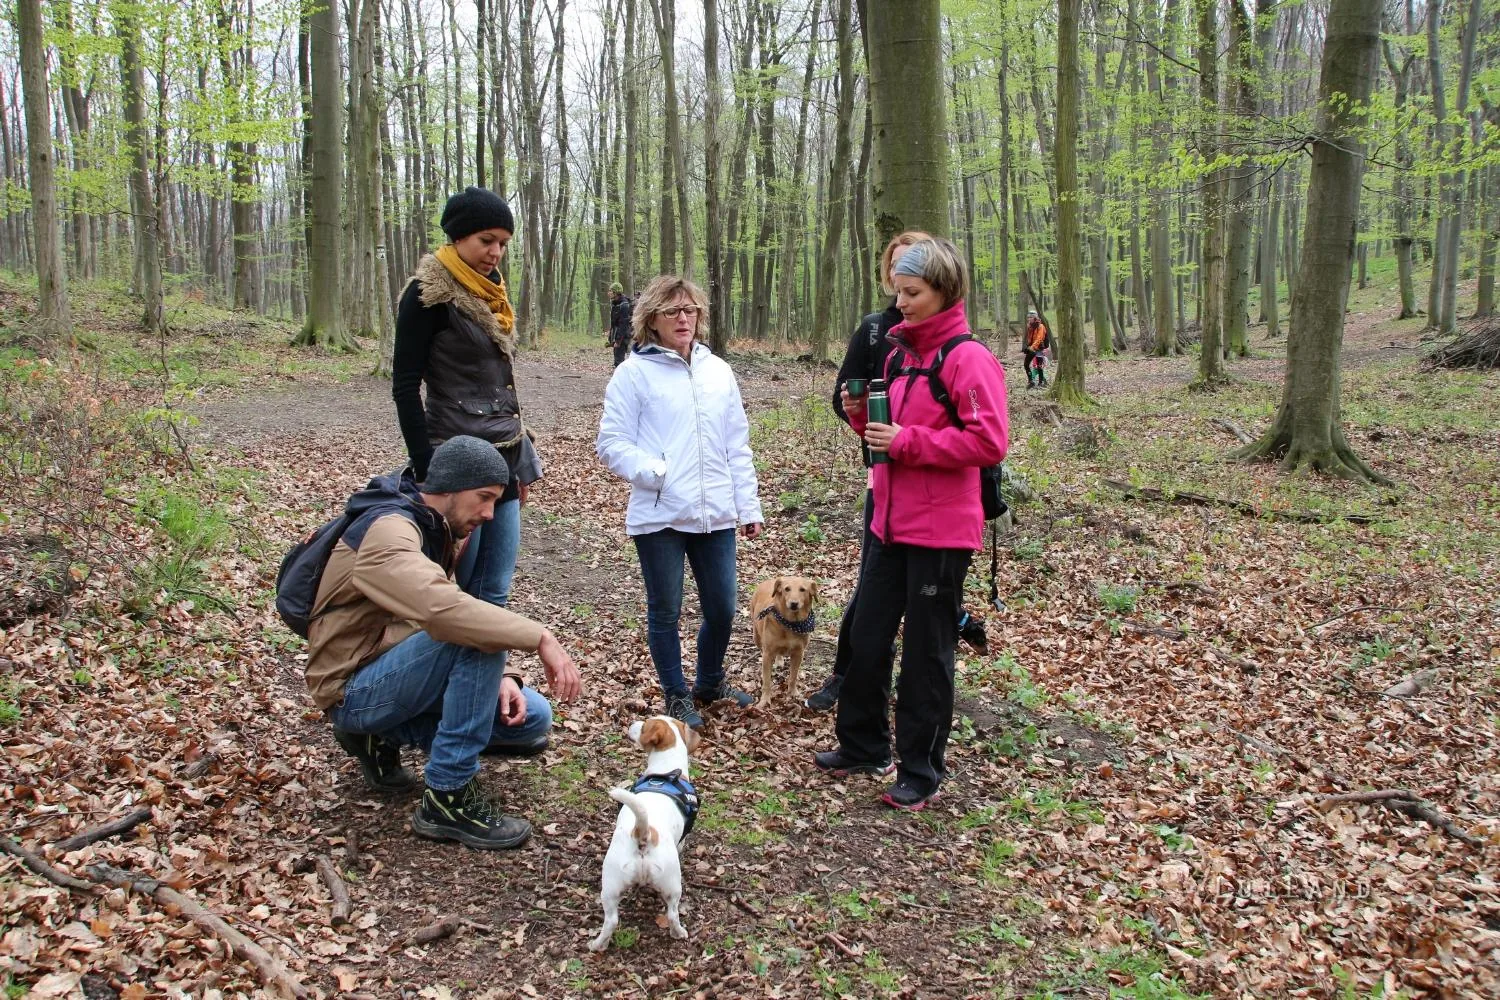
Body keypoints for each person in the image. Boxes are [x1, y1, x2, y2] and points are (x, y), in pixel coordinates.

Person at [308, 435, 584, 850]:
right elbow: (442, 611)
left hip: (397, 671)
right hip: (353, 689)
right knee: (479, 636)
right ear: (451, 487)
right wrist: (539, 636)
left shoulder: (433, 524)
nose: (490, 514)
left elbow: (423, 618)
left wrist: (501, 677)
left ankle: (382, 736)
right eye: (484, 498)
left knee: (530, 720)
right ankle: (447, 797)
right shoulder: (388, 530)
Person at [813, 238, 1009, 811]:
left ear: (945, 291)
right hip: (890, 523)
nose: (900, 302)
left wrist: (908, 440)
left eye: (912, 292)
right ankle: (862, 745)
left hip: (941, 531)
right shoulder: (900, 353)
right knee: (867, 636)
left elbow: (989, 441)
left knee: (927, 652)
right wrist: (865, 425)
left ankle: (920, 770)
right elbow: (889, 443)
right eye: (897, 290)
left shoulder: (967, 358)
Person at [595, 275, 765, 729]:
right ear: (651, 319)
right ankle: (675, 694)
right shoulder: (632, 373)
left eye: (690, 310)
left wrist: (748, 506)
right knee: (665, 610)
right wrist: (656, 472)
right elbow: (611, 442)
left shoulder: (718, 371)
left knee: (723, 607)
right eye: (672, 311)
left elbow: (737, 444)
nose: (683, 318)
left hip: (716, 515)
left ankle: (709, 680)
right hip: (661, 514)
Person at [392, 187, 540, 680]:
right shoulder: (427, 294)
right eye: (486, 240)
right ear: (457, 237)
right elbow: (405, 385)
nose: (495, 253)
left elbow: (500, 385)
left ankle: (482, 698)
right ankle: (441, 698)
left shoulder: (490, 292)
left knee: (494, 589)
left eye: (503, 243)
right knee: (454, 595)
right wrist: (426, 467)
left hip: (505, 458)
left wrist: (518, 461)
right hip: (453, 461)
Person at [605, 282, 634, 368]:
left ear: (616, 293)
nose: (608, 293)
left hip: (623, 336)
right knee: (617, 358)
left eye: (610, 291)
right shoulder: (615, 303)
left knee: (619, 361)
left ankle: (621, 377)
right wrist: (611, 335)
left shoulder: (624, 305)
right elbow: (614, 322)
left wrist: (618, 341)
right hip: (617, 334)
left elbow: (623, 325)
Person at [1024, 309, 1049, 389]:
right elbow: (1029, 338)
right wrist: (1027, 347)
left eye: (1031, 317)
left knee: (1039, 366)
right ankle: (1031, 381)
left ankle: (1041, 382)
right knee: (1026, 364)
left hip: (1039, 348)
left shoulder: (1041, 326)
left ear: (1035, 318)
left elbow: (1039, 338)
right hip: (1032, 348)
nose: (1029, 319)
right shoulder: (1030, 327)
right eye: (1028, 317)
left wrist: (1032, 347)